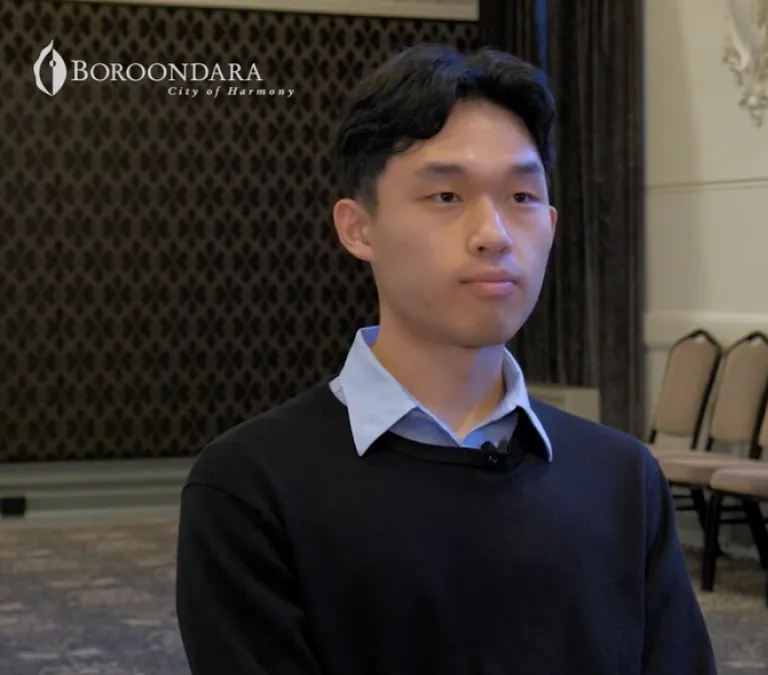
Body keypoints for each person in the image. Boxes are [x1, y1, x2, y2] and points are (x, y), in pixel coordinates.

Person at [174, 44, 717, 674]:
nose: (494, 233)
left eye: (522, 196)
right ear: (358, 229)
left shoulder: (621, 478)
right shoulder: (251, 487)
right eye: (446, 197)